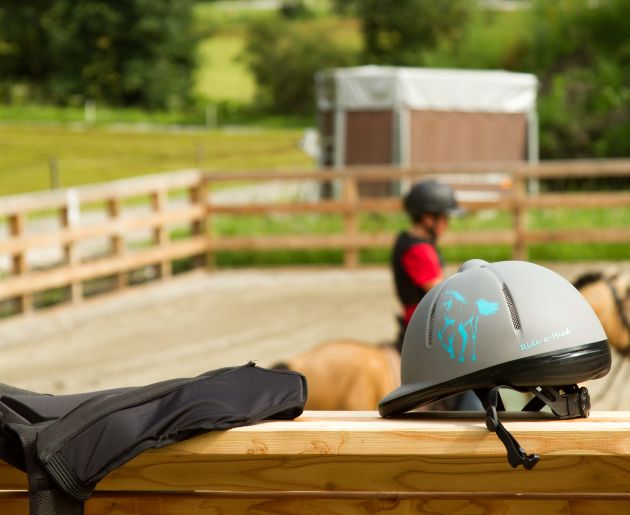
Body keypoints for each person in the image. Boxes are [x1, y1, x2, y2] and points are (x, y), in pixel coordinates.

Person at [391, 179, 461, 353]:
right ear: (428, 218)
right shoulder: (419, 250)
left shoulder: (407, 240)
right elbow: (442, 294)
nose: (447, 224)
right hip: (424, 328)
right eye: (445, 218)